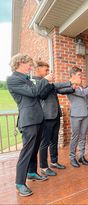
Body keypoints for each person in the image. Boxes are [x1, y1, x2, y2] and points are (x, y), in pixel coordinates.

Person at [7, 54, 53, 197]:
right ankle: (20, 183)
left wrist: (47, 84)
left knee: (34, 150)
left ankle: (32, 172)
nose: (31, 67)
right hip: (28, 120)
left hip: (38, 118)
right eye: (29, 64)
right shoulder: (13, 79)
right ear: (21, 63)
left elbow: (39, 94)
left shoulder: (27, 79)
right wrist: (45, 80)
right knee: (27, 151)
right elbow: (33, 92)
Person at [33, 61, 75, 176]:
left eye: (48, 70)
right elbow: (43, 93)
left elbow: (59, 89)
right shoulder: (36, 82)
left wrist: (72, 88)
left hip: (55, 115)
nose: (48, 72)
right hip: (46, 117)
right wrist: (68, 82)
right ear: (38, 70)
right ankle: (44, 167)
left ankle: (54, 161)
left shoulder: (48, 83)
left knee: (54, 141)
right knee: (44, 143)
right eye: (46, 70)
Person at [67, 67, 88, 168]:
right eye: (79, 75)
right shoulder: (69, 86)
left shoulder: (81, 86)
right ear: (73, 75)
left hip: (85, 114)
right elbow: (83, 93)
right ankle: (72, 157)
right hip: (76, 115)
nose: (81, 77)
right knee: (75, 137)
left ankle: (81, 156)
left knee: (83, 137)